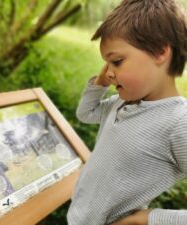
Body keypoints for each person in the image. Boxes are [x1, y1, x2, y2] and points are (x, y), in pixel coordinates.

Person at [67, 0, 187, 224]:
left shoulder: (178, 122)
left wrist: (148, 218)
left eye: (117, 61)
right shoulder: (119, 103)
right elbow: (86, 113)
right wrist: (99, 83)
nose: (110, 72)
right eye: (106, 64)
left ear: (160, 51)